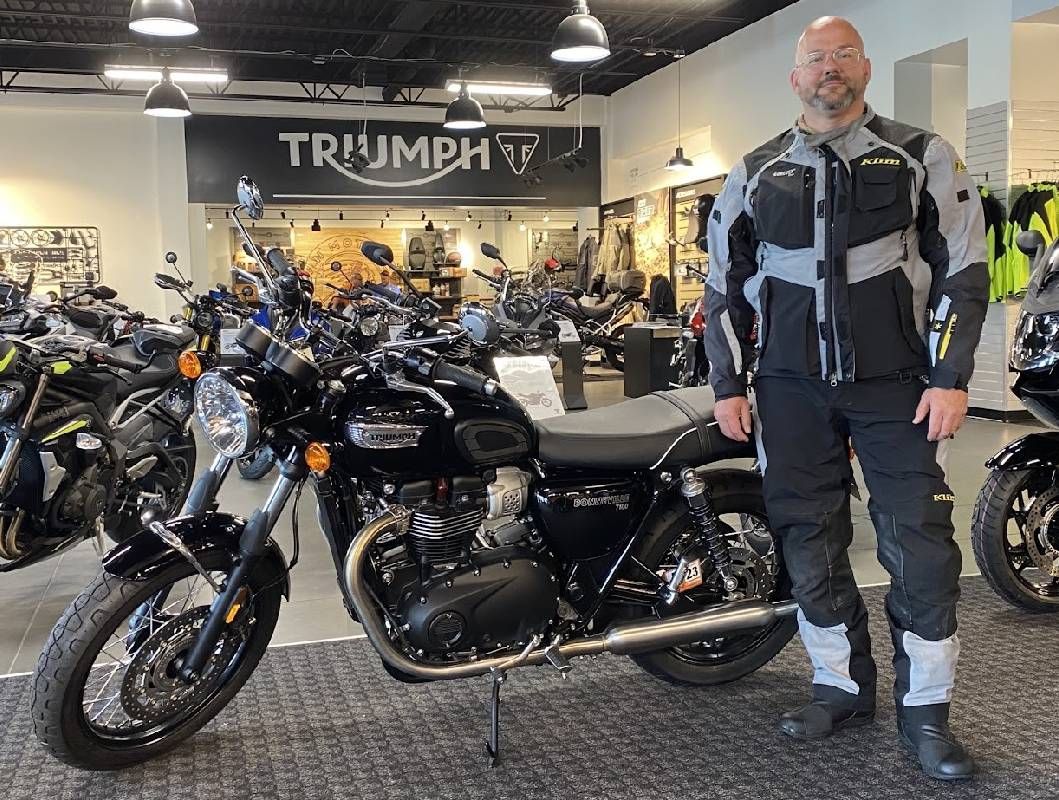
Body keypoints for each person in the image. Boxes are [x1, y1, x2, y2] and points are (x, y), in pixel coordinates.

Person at [704, 16, 988, 781]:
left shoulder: (920, 154)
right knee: (807, 540)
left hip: (898, 388)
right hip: (787, 390)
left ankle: (925, 714)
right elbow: (721, 286)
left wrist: (950, 376)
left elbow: (964, 271)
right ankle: (841, 686)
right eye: (813, 59)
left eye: (841, 56)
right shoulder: (754, 171)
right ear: (793, 78)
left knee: (920, 549)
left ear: (863, 68)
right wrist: (728, 385)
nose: (827, 69)